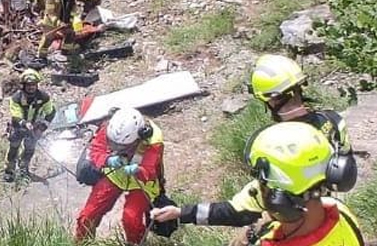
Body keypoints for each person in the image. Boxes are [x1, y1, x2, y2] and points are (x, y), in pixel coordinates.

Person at [145, 54, 357, 236]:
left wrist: (182, 213)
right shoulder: (335, 122)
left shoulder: (278, 150)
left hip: (293, 228)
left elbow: (239, 210)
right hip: (332, 217)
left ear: (270, 100)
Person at [152, 122, 365, 246]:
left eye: (263, 183)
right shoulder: (340, 212)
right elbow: (237, 210)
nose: (256, 188)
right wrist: (181, 212)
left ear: (279, 200)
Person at [75, 107, 165, 245]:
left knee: (131, 218)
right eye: (114, 144)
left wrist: (138, 170)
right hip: (115, 175)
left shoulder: (153, 141)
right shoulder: (110, 128)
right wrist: (107, 160)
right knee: (87, 216)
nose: (117, 149)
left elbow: (150, 170)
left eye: (122, 146)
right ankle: (81, 243)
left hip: (142, 182)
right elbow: (95, 150)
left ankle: (135, 243)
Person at [3, 69, 55, 182]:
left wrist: (42, 128)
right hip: (18, 128)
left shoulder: (44, 97)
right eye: (28, 85)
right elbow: (16, 116)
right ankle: (9, 171)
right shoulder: (16, 98)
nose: (31, 87)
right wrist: (25, 123)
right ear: (23, 85)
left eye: (33, 85)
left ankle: (23, 168)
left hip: (35, 128)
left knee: (29, 150)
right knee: (13, 149)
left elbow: (51, 112)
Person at [34, 0, 81, 65]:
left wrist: (71, 18)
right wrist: (58, 23)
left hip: (66, 19)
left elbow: (74, 6)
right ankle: (41, 57)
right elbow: (50, 13)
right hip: (51, 21)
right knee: (48, 38)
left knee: (70, 34)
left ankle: (65, 52)